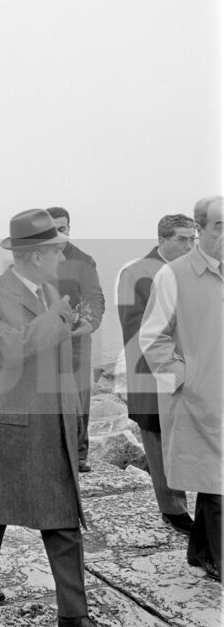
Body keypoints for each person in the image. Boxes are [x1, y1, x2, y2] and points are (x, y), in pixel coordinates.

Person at [0, 208, 95, 627]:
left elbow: (61, 363)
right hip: (10, 422)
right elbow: (11, 349)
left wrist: (75, 415)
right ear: (37, 255)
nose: (63, 256)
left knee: (61, 520)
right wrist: (58, 316)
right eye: (57, 250)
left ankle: (73, 616)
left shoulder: (48, 291)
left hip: (53, 418)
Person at [140, 196, 223, 583]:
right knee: (217, 481)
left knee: (216, 478)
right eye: (219, 226)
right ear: (201, 229)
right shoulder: (172, 275)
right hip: (197, 396)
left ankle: (200, 551)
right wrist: (183, 379)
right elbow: (153, 338)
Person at [117, 214, 195, 535]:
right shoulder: (135, 273)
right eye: (183, 239)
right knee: (159, 439)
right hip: (152, 375)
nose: (191, 245)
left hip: (193, 371)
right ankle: (172, 510)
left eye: (193, 239)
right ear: (162, 240)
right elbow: (136, 330)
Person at [47, 207, 105, 473]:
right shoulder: (35, 258)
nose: (58, 233)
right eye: (52, 228)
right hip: (44, 341)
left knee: (79, 399)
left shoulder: (84, 261)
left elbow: (95, 299)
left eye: (63, 228)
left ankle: (80, 454)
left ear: (69, 229)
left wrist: (86, 324)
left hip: (77, 341)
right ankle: (52, 449)